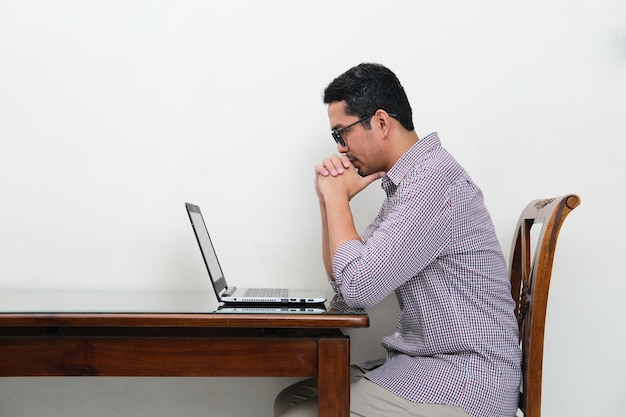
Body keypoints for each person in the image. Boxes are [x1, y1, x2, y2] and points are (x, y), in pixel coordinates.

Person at [273, 63, 522, 417]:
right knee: (291, 401)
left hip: (466, 380)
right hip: (433, 366)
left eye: (341, 133)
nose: (341, 149)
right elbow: (347, 288)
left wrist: (338, 199)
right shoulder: (410, 186)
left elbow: (360, 288)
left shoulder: (431, 184)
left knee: (298, 414)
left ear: (381, 122)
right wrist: (326, 201)